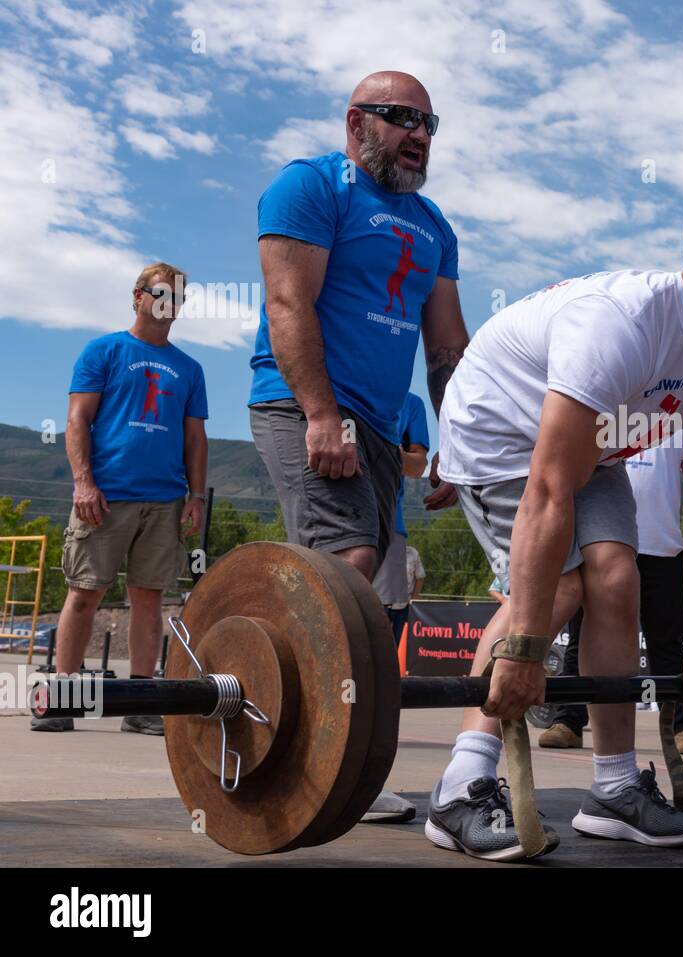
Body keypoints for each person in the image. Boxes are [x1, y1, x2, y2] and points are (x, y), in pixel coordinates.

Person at [422, 170, 683, 860]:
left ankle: (614, 790)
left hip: (589, 449)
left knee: (617, 576)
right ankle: (460, 786)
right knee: (561, 588)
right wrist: (523, 651)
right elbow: (546, 487)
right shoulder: (623, 323)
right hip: (496, 429)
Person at [247, 71, 469, 824]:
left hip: (378, 423)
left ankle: (289, 724)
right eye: (403, 116)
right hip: (301, 402)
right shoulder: (310, 185)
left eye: (430, 123)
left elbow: (446, 346)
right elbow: (287, 302)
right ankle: (319, 768)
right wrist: (320, 413)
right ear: (356, 122)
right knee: (352, 564)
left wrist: (459, 444)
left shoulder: (435, 224)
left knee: (368, 592)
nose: (420, 133)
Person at [32, 263, 208, 735]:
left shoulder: (189, 368)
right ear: (138, 296)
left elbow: (195, 439)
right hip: (105, 497)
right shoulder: (103, 350)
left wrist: (196, 496)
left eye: (177, 297)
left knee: (149, 601)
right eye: (160, 294)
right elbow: (77, 421)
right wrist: (83, 482)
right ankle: (62, 700)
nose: (168, 304)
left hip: (166, 500)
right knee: (85, 594)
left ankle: (140, 704)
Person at [540, 441, 683, 756]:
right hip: (602, 542)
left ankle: (679, 726)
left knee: (668, 645)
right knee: (582, 638)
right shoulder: (611, 408)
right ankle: (569, 721)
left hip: (662, 546)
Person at [374, 392, 430, 645]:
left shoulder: (411, 403)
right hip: (333, 515)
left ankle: (375, 684)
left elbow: (418, 466)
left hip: (389, 523)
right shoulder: (340, 384)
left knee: (382, 622)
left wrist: (384, 450)